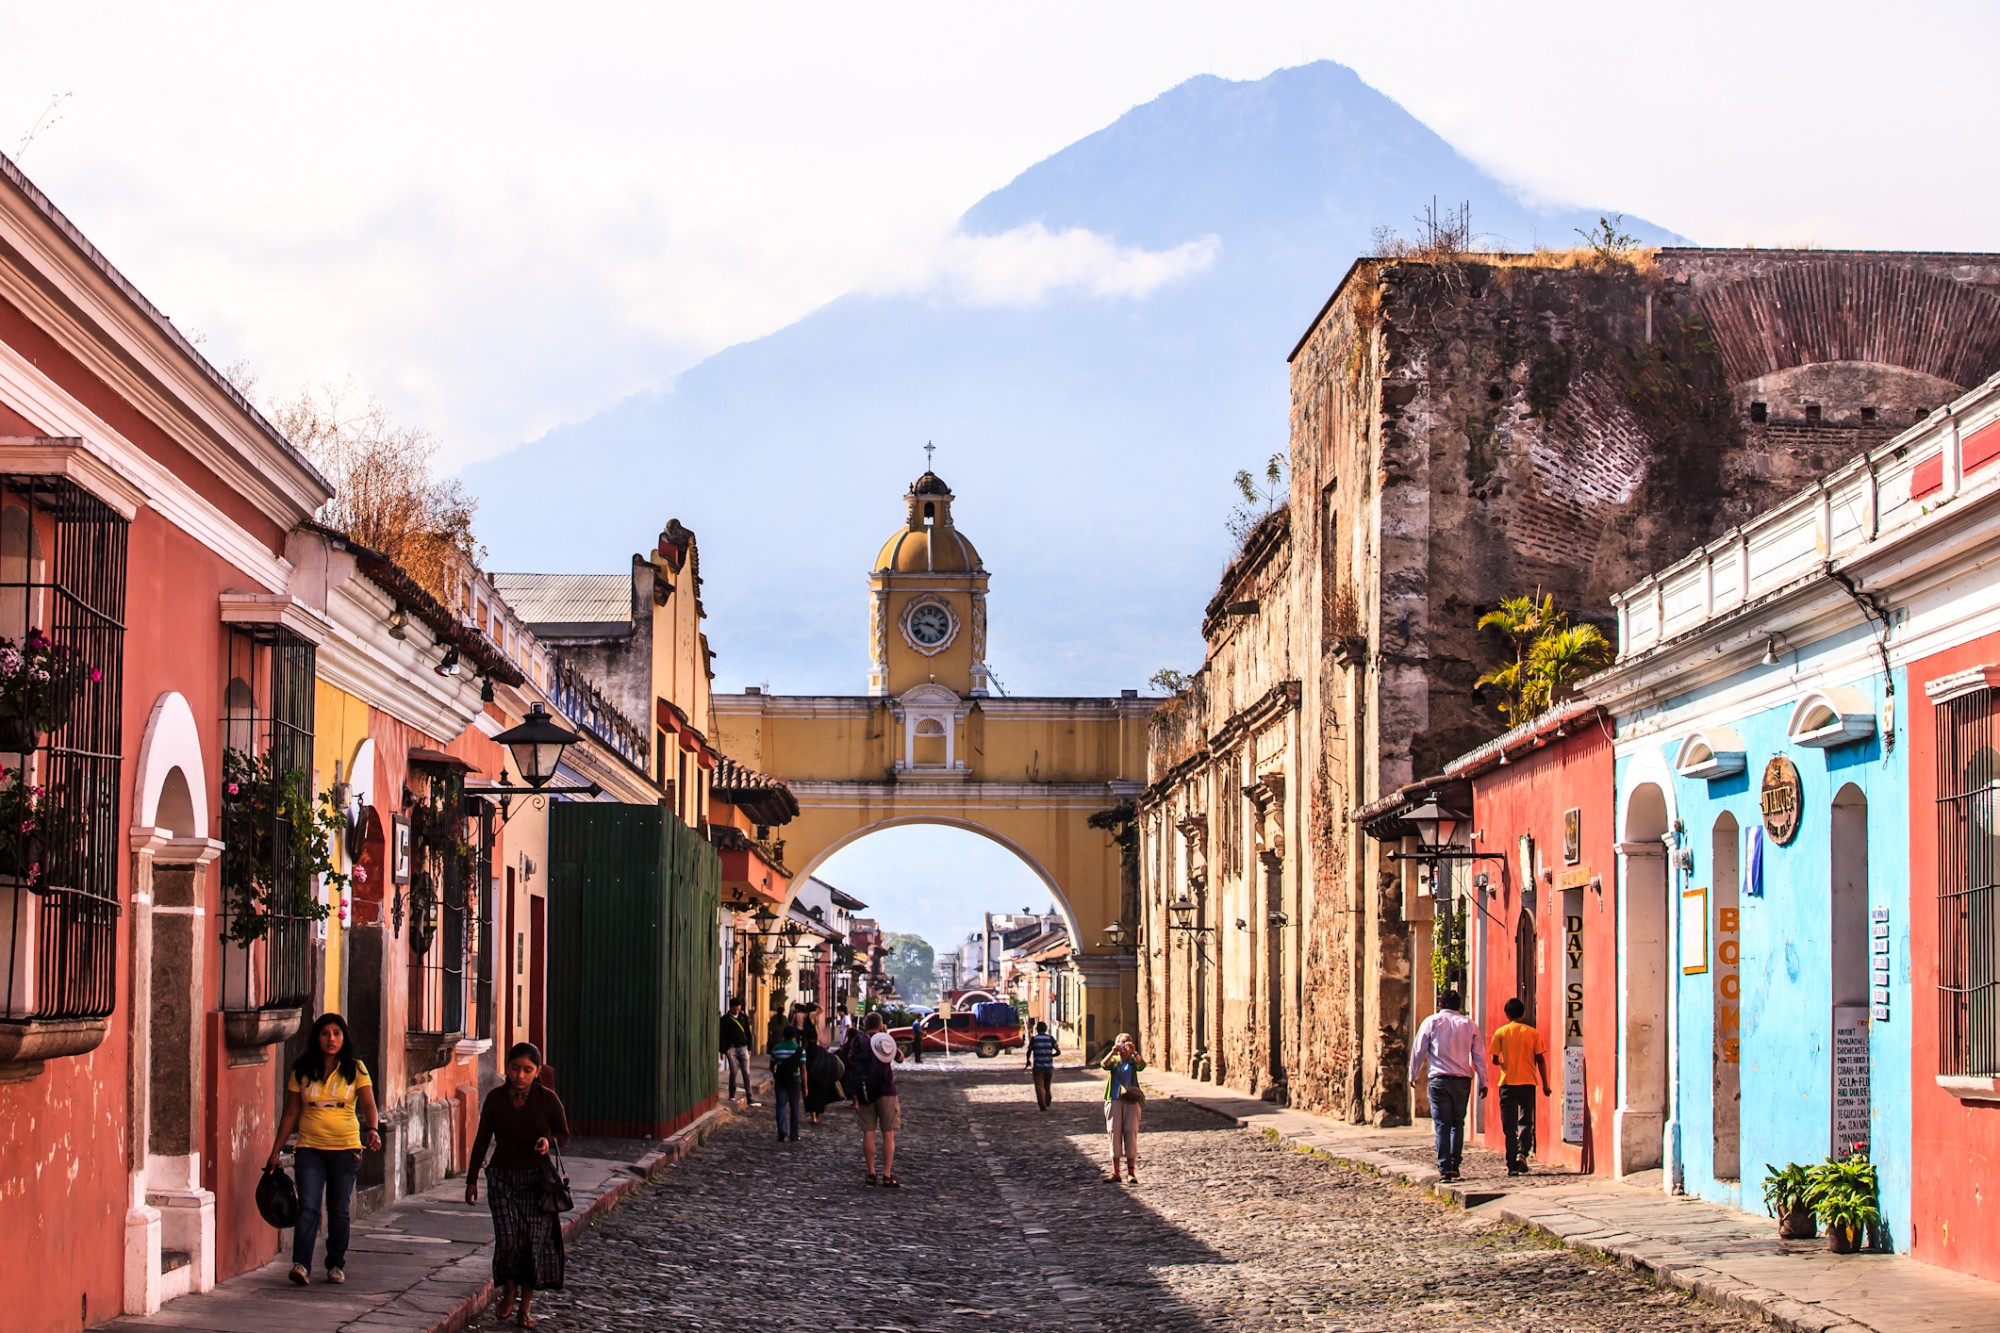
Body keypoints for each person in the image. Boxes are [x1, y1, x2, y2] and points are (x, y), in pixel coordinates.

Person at [267, 1012, 382, 1287]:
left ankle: (335, 1264)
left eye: (336, 1033)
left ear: (344, 1038)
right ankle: (301, 1264)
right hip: (310, 1149)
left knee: (338, 1209)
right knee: (307, 1206)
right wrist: (275, 1151)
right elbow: (290, 1113)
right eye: (325, 1033)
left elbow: (368, 1105)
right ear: (316, 1037)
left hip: (346, 1149)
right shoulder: (302, 1070)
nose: (331, 1039)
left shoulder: (356, 1069)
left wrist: (373, 1130)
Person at [467, 1042, 571, 1328]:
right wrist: (472, 1179)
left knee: (532, 1244)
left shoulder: (547, 1100)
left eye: (527, 1070)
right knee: (508, 1236)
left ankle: (524, 1307)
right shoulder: (496, 1099)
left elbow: (563, 1135)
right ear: (507, 1068)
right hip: (502, 1177)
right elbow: (481, 1139)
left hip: (537, 1181)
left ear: (537, 1072)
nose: (520, 1075)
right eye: (515, 1068)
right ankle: (509, 1287)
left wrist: (548, 1142)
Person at [1409, 989, 1486, 1182]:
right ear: (1459, 1006)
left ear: (1440, 1004)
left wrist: (1413, 1074)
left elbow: (1418, 1050)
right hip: (1462, 1080)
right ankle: (1455, 1163)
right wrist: (1483, 1081)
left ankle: (1444, 1166)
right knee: (1457, 1123)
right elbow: (1478, 1056)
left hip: (1439, 1080)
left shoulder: (1431, 1022)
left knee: (1442, 1124)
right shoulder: (1470, 1025)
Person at [1490, 996, 1551, 1175]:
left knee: (1509, 1126)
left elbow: (1494, 1058)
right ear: (1523, 1014)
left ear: (1506, 1014)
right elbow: (1540, 1058)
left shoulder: (1500, 1033)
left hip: (1507, 1083)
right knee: (1525, 1121)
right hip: (1528, 1082)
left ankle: (1511, 1164)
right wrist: (1546, 1084)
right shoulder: (1533, 1033)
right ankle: (1523, 1153)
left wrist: (1501, 1061)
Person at [847, 1012, 905, 1186]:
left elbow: (850, 1060)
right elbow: (900, 1058)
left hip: (865, 1091)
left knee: (868, 1133)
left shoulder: (858, 1041)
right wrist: (885, 1036)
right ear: (881, 1025)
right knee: (888, 1134)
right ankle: (887, 1175)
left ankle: (871, 1172)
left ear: (865, 1025)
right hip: (887, 1090)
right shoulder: (885, 1039)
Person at [1100, 1033, 1146, 1182]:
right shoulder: (1114, 1060)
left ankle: (1131, 1172)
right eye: (1121, 1043)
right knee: (1114, 1132)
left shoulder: (1133, 1061)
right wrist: (1113, 1052)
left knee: (1130, 1132)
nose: (1124, 1047)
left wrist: (1134, 1052)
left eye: (1127, 1043)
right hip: (1114, 1100)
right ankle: (1116, 1172)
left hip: (1131, 1101)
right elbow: (1104, 1064)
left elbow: (1142, 1066)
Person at [770, 1023, 807, 1142]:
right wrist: (805, 1086)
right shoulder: (799, 1050)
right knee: (794, 1107)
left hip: (780, 1081)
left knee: (780, 1105)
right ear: (794, 1036)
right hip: (795, 1081)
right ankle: (794, 1135)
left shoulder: (776, 1048)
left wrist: (776, 1075)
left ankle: (782, 1130)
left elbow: (772, 1066)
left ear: (783, 1035)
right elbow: (803, 1070)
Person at [720, 997, 753, 1107]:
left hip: (743, 1048)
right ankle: (732, 1093)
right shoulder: (725, 1019)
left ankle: (749, 1095)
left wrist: (750, 1048)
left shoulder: (743, 1017)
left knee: (746, 1072)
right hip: (731, 1049)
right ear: (731, 1007)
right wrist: (723, 1050)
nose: (737, 1011)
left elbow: (748, 1033)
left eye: (739, 1009)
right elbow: (722, 1035)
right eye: (736, 1009)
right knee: (733, 1071)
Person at [1025, 1020, 1060, 1110]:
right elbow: (1058, 1051)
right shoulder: (1050, 1038)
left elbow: (1029, 1051)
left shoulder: (1034, 1039)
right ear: (1046, 1029)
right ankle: (1047, 1100)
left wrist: (1028, 1060)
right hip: (1049, 1067)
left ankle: (1042, 1104)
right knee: (1047, 1086)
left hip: (1038, 1067)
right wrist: (1051, 1055)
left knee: (1039, 1086)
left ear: (1037, 1029)